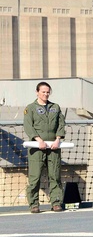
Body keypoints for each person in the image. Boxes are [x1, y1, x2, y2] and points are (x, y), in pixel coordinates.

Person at [23, 81, 66, 213]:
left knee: (55, 175)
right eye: (43, 92)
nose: (46, 94)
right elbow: (28, 125)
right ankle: (34, 204)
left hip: (53, 146)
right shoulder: (30, 108)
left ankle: (56, 202)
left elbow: (61, 124)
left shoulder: (56, 107)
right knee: (35, 177)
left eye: (48, 92)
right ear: (37, 92)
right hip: (37, 147)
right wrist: (38, 139)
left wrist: (58, 139)